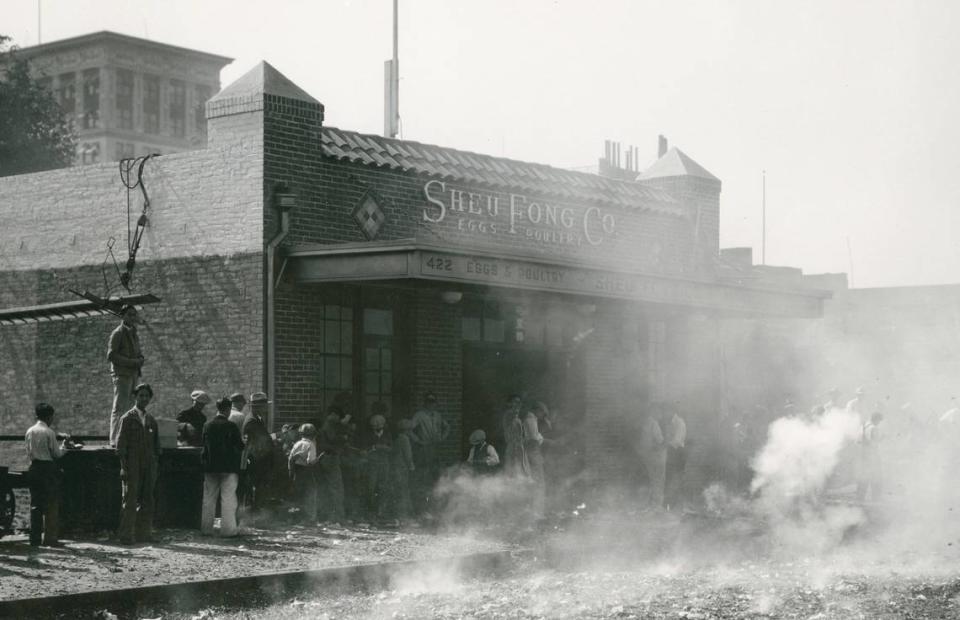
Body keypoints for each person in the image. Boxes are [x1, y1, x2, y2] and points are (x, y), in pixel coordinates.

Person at [116, 383, 161, 544]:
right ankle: (126, 535)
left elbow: (157, 447)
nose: (144, 398)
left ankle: (145, 534)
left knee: (148, 499)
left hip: (148, 466)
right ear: (135, 397)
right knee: (130, 500)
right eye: (140, 395)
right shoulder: (127, 418)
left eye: (146, 396)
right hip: (132, 466)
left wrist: (154, 465)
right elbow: (120, 447)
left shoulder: (151, 420)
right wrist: (123, 467)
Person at [201, 396, 244, 537]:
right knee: (228, 499)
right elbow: (240, 446)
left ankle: (206, 529)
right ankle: (228, 531)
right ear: (228, 409)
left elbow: (204, 446)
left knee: (209, 499)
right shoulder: (231, 426)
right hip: (228, 467)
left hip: (211, 467)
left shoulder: (207, 425)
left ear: (217, 408)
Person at [25, 403, 66, 547]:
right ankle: (50, 538)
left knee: (35, 504)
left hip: (34, 467)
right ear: (49, 417)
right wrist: (65, 447)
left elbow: (29, 452)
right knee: (51, 503)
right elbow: (57, 454)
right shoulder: (49, 432)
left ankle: (34, 539)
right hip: (47, 469)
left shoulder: (30, 431)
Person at [107, 304, 144, 446]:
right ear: (122, 316)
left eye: (134, 314)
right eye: (129, 314)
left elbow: (139, 353)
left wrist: (140, 360)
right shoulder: (118, 333)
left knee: (130, 406)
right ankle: (115, 439)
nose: (132, 317)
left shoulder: (134, 333)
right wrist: (131, 362)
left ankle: (126, 437)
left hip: (134, 373)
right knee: (120, 406)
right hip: (122, 374)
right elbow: (111, 355)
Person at [410, 393, 450, 516]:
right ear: (425, 403)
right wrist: (418, 441)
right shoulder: (419, 415)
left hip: (436, 447)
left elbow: (447, 427)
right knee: (425, 473)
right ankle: (424, 506)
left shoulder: (437, 415)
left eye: (433, 402)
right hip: (425, 447)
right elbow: (410, 429)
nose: (431, 405)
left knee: (436, 473)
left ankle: (436, 504)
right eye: (429, 402)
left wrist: (442, 437)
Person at [241, 391, 275, 514]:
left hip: (259, 458)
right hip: (256, 459)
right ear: (258, 407)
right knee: (256, 487)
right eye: (265, 406)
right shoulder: (251, 421)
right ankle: (254, 516)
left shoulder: (257, 419)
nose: (266, 408)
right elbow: (261, 440)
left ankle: (255, 514)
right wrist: (275, 437)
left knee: (258, 486)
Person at [358, 413, 393, 525]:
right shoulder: (367, 435)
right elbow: (363, 449)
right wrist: (366, 451)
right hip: (372, 464)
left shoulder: (387, 434)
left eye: (379, 425)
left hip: (384, 464)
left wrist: (382, 447)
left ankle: (381, 512)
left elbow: (392, 448)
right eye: (374, 425)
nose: (376, 427)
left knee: (383, 488)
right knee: (370, 488)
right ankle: (371, 513)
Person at [317, 409, 350, 524]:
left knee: (332, 487)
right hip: (330, 457)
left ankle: (334, 515)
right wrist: (343, 432)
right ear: (332, 414)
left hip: (327, 457)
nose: (338, 419)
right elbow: (333, 439)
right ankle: (337, 516)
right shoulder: (330, 426)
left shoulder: (328, 425)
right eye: (337, 416)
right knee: (336, 488)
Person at [288, 424, 320, 524]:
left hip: (297, 471)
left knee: (298, 495)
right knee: (310, 494)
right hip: (307, 471)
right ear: (313, 435)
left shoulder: (297, 444)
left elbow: (290, 458)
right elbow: (310, 461)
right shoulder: (311, 445)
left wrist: (291, 471)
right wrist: (318, 459)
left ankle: (296, 517)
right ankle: (309, 518)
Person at [661, 403, 687, 512]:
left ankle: (674, 505)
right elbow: (667, 438)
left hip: (678, 452)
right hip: (671, 452)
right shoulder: (669, 423)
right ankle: (667, 505)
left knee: (676, 478)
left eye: (666, 411)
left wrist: (664, 444)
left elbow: (677, 441)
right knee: (668, 478)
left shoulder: (680, 422)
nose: (665, 413)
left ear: (672, 411)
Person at [640, 405, 666, 511]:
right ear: (654, 411)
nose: (661, 414)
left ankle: (652, 503)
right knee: (658, 480)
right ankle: (657, 505)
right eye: (659, 411)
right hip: (655, 455)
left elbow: (643, 441)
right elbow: (659, 440)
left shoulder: (646, 422)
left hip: (647, 455)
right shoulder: (654, 423)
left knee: (652, 479)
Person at [391, 418, 416, 523]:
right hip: (401, 467)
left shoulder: (398, 438)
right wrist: (411, 466)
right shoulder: (404, 439)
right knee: (403, 490)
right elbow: (408, 455)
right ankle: (403, 515)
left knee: (399, 490)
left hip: (396, 466)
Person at [858, 411, 884, 501]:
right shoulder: (874, 428)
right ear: (876, 419)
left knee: (864, 476)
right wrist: (882, 438)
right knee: (876, 476)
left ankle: (860, 497)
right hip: (872, 455)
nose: (879, 423)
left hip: (863, 454)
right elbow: (874, 443)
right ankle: (875, 498)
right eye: (879, 421)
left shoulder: (864, 426)